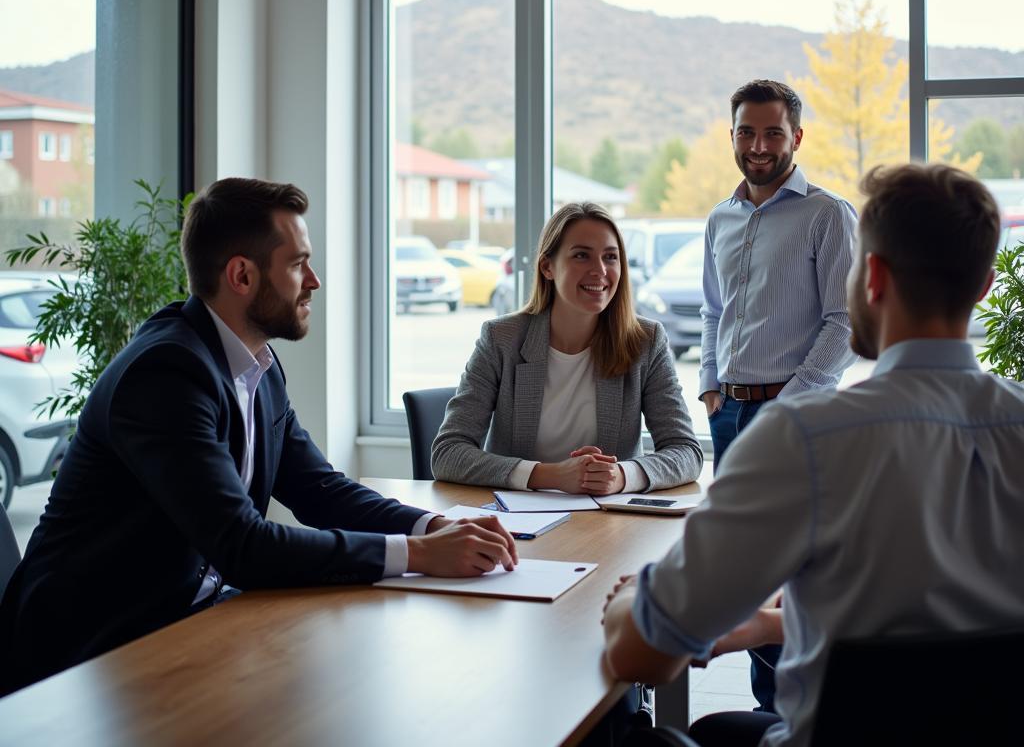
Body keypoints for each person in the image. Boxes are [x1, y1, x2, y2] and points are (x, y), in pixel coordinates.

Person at [0, 178, 517, 698]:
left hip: (187, 623)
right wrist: (419, 554)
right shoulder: (165, 374)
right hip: (87, 657)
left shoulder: (258, 366)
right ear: (242, 275)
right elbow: (242, 544)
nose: (313, 280)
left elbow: (319, 489)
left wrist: (434, 525)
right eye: (297, 264)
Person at [602, 163, 1024, 747]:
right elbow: (941, 631)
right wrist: (771, 623)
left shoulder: (804, 438)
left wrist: (633, 594)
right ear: (982, 287)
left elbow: (643, 657)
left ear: (872, 276)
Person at [698, 79, 857, 710]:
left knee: (794, 568)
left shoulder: (827, 214)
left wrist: (786, 408)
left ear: (797, 136)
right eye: (746, 132)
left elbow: (844, 322)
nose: (758, 146)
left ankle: (795, 716)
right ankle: (769, 716)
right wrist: (711, 387)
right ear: (732, 135)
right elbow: (714, 313)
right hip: (728, 413)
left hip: (789, 416)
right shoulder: (720, 216)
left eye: (772, 133)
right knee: (745, 567)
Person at [431, 201, 702, 494]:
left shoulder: (645, 342)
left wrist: (621, 476)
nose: (599, 270)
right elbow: (448, 453)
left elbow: (686, 451)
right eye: (582, 256)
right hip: (519, 521)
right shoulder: (502, 339)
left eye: (610, 257)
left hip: (609, 523)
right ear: (548, 267)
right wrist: (551, 476)